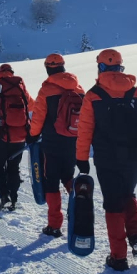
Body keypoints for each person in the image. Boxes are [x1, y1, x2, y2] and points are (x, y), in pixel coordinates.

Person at [75, 50, 137, 271]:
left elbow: (85, 130)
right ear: (120, 67)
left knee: (112, 202)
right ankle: (136, 235)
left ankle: (118, 256)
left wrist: (81, 158)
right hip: (134, 156)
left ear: (100, 67)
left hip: (106, 157)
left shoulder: (93, 95)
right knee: (128, 194)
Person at [29, 53, 85, 238]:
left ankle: (54, 225)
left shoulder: (46, 90)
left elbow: (37, 117)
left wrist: (33, 135)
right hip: (73, 141)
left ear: (47, 68)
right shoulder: (79, 88)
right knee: (68, 176)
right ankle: (80, 213)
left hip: (52, 142)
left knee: (51, 180)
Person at [0, 64, 33, 209]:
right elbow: (32, 105)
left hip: (1, 136)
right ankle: (14, 198)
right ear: (12, 73)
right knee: (13, 168)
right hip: (20, 136)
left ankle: (4, 195)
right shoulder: (21, 88)